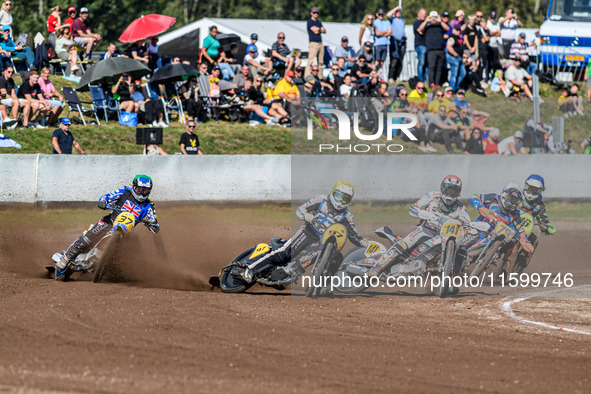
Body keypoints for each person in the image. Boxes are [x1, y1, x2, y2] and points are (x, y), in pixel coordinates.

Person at [239, 181, 370, 284]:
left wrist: (366, 243)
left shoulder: (347, 216)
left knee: (332, 258)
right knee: (283, 254)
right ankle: (250, 270)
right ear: (332, 193)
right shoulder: (321, 200)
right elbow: (300, 210)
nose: (341, 201)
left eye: (345, 199)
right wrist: (308, 217)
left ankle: (318, 285)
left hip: (321, 243)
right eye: (339, 196)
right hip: (306, 233)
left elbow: (353, 236)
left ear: (349, 201)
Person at [54, 174, 160, 281]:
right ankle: (65, 259)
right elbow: (106, 197)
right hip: (109, 222)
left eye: (145, 190)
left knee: (127, 255)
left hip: (125, 231)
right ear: (134, 187)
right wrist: (103, 202)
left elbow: (154, 221)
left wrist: (154, 226)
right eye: (139, 189)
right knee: (87, 239)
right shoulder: (124, 192)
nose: (142, 193)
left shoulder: (149, 205)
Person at [368, 175, 472, 278]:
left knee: (461, 250)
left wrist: (473, 229)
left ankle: (451, 280)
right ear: (443, 188)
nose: (451, 194)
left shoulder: (460, 208)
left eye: (455, 191)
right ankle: (376, 268)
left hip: (441, 237)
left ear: (458, 193)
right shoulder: (432, 196)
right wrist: (422, 213)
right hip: (425, 229)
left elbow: (469, 225)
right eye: (449, 190)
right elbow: (412, 208)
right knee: (406, 243)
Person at [417, 11, 449, 88]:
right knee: (431, 67)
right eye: (432, 18)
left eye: (435, 18)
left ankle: (437, 83)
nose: (433, 19)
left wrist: (440, 21)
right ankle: (431, 83)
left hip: (440, 49)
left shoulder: (440, 25)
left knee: (439, 67)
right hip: (431, 50)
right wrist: (426, 21)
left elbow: (447, 28)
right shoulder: (427, 25)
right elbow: (419, 29)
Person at [387, 5, 406, 81]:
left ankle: (396, 76)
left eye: (399, 11)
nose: (398, 13)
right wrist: (396, 8)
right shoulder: (393, 19)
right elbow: (388, 15)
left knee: (400, 60)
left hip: (402, 42)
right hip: (394, 41)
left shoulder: (402, 20)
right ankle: (391, 76)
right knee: (394, 59)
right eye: (397, 11)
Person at [305, 7, 326, 77]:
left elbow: (324, 30)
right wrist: (320, 29)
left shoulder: (319, 22)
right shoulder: (310, 22)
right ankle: (307, 75)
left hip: (320, 43)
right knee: (311, 60)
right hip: (313, 43)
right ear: (311, 13)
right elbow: (314, 31)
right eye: (314, 13)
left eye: (317, 13)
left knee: (321, 62)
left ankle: (320, 76)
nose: (316, 14)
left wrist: (318, 29)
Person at [446, 25, 466, 93]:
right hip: (454, 58)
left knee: (463, 73)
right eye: (456, 30)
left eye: (459, 30)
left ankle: (456, 86)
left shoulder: (458, 38)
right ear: (453, 30)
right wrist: (455, 54)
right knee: (454, 75)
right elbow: (448, 47)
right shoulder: (452, 37)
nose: (458, 31)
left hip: (459, 58)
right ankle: (452, 89)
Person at [413, 9, 427, 81]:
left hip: (427, 45)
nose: (424, 15)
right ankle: (420, 78)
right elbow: (420, 31)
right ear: (419, 14)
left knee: (426, 63)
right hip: (420, 45)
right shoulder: (417, 22)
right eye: (423, 14)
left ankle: (425, 78)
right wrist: (426, 21)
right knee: (421, 62)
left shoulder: (426, 23)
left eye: (425, 14)